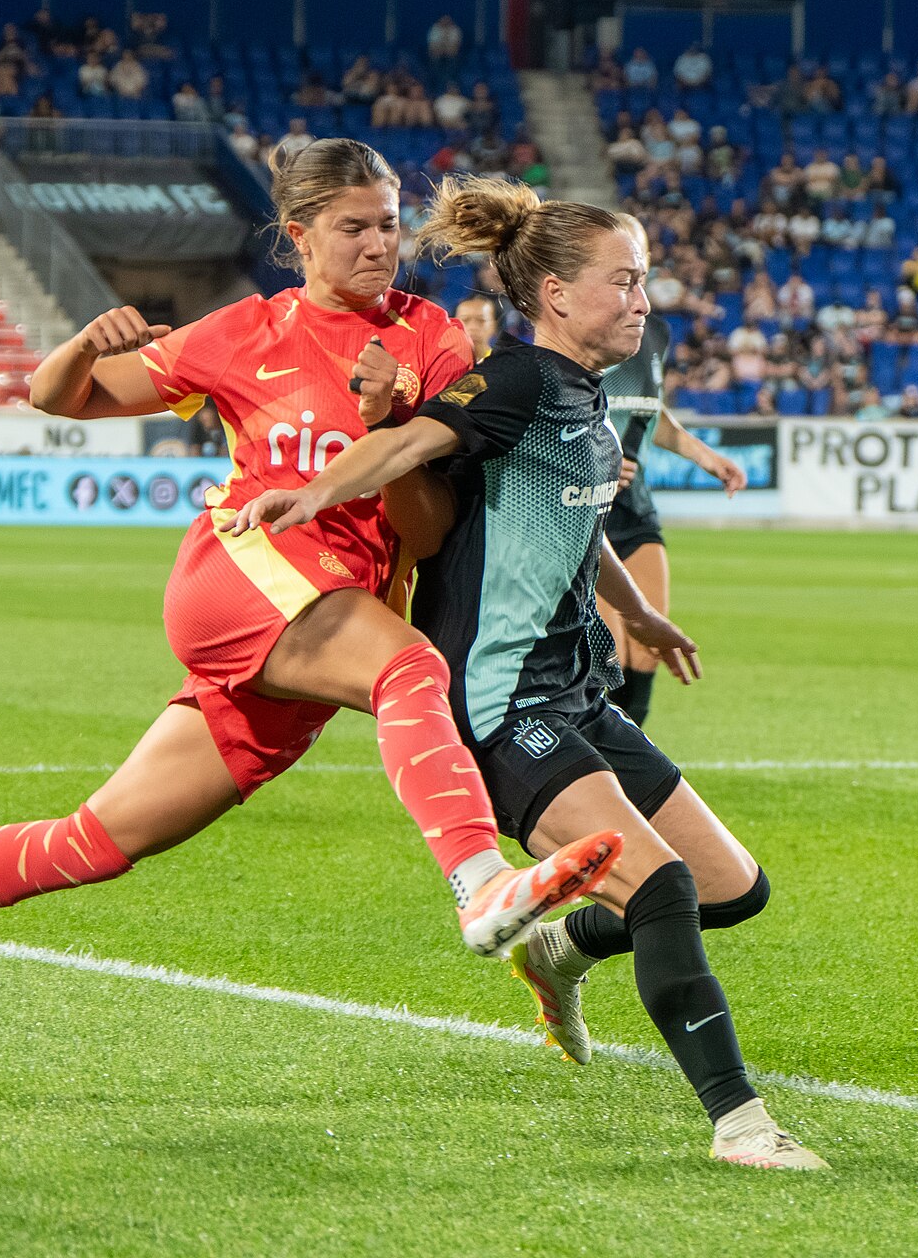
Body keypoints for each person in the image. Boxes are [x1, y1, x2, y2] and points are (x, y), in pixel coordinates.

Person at [0, 139, 621, 973]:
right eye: (354, 226)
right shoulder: (245, 333)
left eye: (388, 223)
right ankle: (479, 883)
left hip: (328, 617)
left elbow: (423, 534)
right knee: (410, 668)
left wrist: (390, 421)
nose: (378, 243)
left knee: (96, 841)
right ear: (299, 236)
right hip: (244, 575)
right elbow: (59, 397)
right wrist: (85, 340)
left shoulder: (433, 340)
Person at [231, 177, 825, 1171]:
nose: (643, 299)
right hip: (498, 702)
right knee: (665, 887)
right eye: (623, 281)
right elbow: (412, 441)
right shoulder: (513, 381)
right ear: (554, 294)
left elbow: (576, 525)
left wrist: (638, 612)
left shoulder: (585, 396)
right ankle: (741, 1123)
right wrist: (313, 491)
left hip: (574, 693)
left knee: (732, 887)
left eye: (645, 281)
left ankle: (560, 947)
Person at [596, 216, 746, 726]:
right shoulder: (575, 329)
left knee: (648, 647)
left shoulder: (654, 332)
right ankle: (597, 776)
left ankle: (631, 766)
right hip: (585, 508)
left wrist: (707, 458)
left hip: (636, 506)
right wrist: (591, 460)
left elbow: (647, 410)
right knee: (607, 656)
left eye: (637, 258)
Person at [455, 292, 500, 362]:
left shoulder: (502, 365)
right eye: (465, 320)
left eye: (481, 321)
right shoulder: (444, 366)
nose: (473, 327)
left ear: (493, 326)